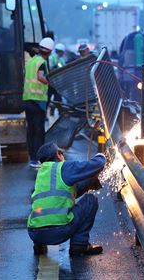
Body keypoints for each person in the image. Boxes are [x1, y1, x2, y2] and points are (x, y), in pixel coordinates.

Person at [27, 142, 107, 256]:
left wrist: (90, 182)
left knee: (42, 209)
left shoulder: (42, 173)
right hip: (60, 232)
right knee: (90, 200)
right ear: (58, 155)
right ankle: (79, 245)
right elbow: (97, 164)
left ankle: (39, 246)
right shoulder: (63, 167)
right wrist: (102, 156)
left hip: (35, 233)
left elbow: (66, 193)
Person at [23, 37, 54, 168]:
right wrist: (50, 83)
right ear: (49, 52)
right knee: (38, 131)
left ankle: (32, 158)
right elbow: (40, 77)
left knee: (30, 130)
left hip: (27, 99)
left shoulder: (31, 61)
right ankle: (37, 159)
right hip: (38, 101)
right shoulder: (42, 62)